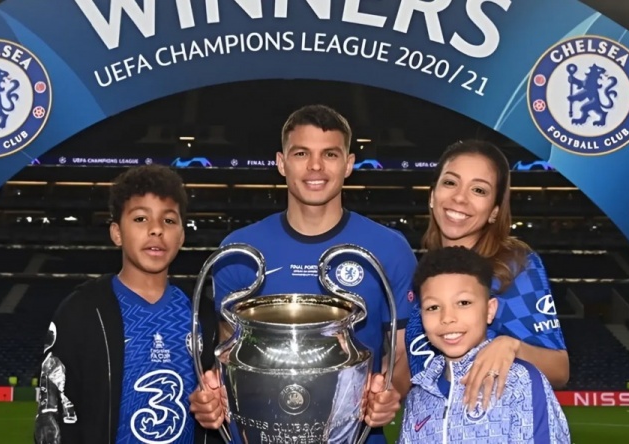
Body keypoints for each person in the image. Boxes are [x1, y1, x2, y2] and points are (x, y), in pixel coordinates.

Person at [189, 105, 415, 443]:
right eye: (301, 153)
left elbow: (401, 353)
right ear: (282, 163)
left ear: (349, 164)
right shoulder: (239, 250)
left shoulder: (389, 249)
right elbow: (228, 349)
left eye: (330, 154)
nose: (315, 166)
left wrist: (387, 393)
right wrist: (211, 395)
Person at [33, 165, 222, 444]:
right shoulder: (82, 312)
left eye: (169, 220)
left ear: (182, 235)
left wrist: (216, 408)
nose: (156, 229)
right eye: (141, 218)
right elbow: (54, 413)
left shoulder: (202, 315)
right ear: (116, 232)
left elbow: (221, 412)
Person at [405, 140, 569, 411]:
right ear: (432, 195)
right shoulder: (424, 269)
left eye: (479, 190)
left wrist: (511, 347)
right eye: (450, 183)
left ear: (494, 211)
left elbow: (560, 370)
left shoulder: (514, 267)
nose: (460, 198)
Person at [397, 246, 570, 443]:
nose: (447, 317)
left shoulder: (520, 382)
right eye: (433, 307)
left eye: (463, 303)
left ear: (490, 310)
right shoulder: (419, 396)